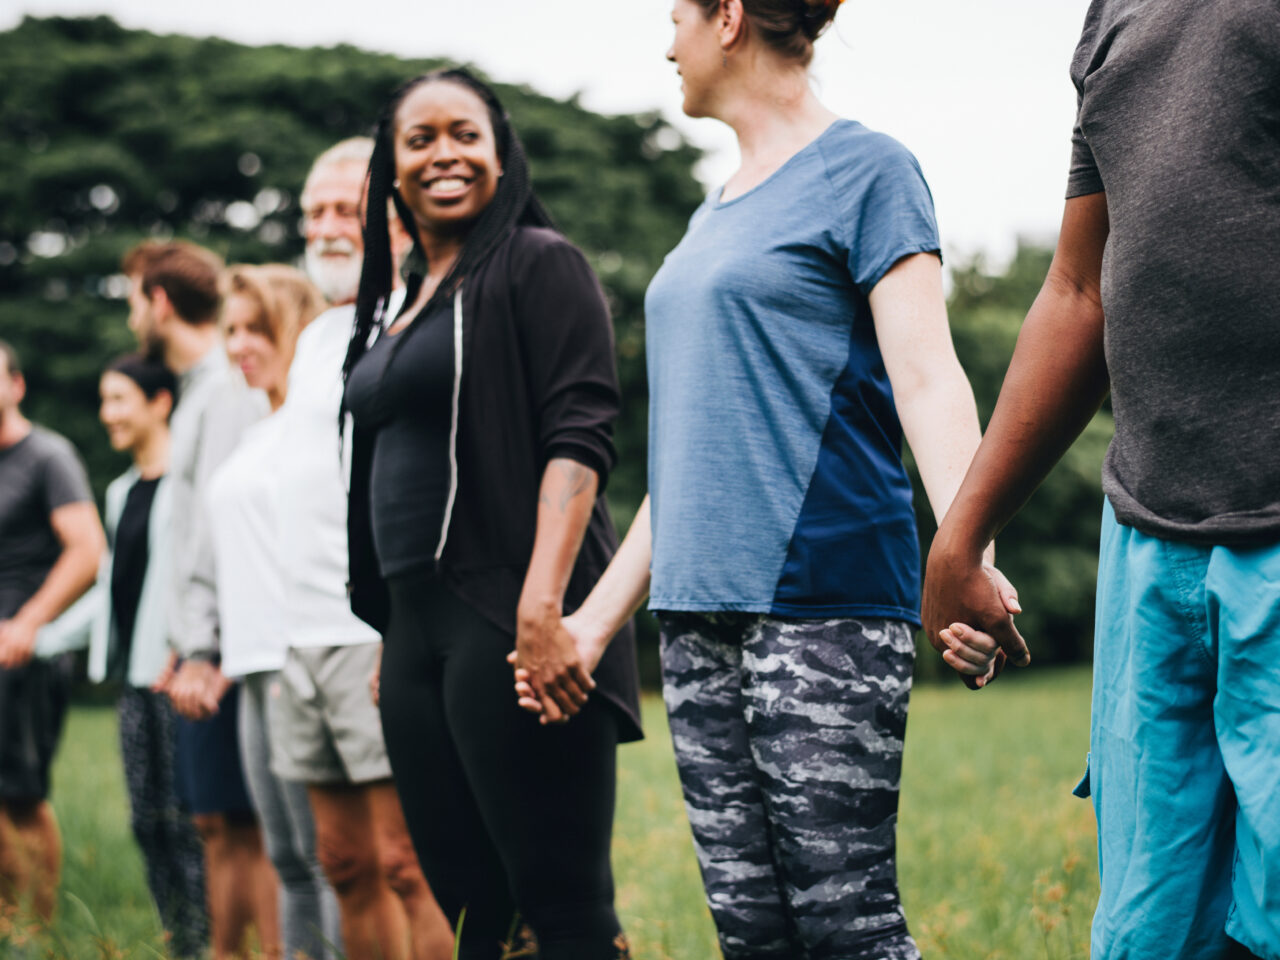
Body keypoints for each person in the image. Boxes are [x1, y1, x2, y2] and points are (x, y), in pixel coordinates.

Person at [511, 2, 1019, 957]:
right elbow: (689, 467)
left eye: (676, 19)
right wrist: (591, 623)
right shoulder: (715, 212)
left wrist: (971, 554)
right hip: (699, 621)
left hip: (819, 604)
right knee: (752, 933)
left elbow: (927, 375)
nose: (668, 46)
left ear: (729, 18)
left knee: (846, 926)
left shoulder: (869, 170)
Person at [920, 3, 1280, 959]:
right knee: (1153, 932)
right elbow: (1081, 288)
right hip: (1150, 546)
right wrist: (962, 533)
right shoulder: (1117, 13)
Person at [342, 68, 642, 960]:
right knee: (475, 913)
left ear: (501, 153)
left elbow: (581, 432)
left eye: (466, 134)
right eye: (421, 138)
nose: (446, 154)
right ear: (390, 169)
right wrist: (391, 630)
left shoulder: (539, 264)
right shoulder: (397, 302)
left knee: (561, 907)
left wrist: (544, 606)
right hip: (415, 627)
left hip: (510, 612)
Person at [270, 138, 453, 960]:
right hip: (296, 634)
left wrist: (400, 625)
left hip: (372, 630)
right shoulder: (311, 340)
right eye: (314, 212)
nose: (327, 228)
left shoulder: (412, 319)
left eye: (347, 210)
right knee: (341, 862)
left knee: (406, 861)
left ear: (397, 221)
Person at [122, 241, 279, 959]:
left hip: (224, 654)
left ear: (158, 301)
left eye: (131, 300)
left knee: (241, 824)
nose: (132, 317)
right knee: (215, 822)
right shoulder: (196, 392)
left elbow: (220, 527)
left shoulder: (225, 390)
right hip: (197, 648)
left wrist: (205, 650)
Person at [39, 353, 209, 956]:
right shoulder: (119, 491)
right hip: (134, 684)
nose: (108, 413)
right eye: (105, 400)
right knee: (148, 823)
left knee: (191, 825)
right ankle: (178, 941)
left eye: (119, 400)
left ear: (159, 403)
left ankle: (210, 940)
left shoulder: (187, 488)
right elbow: (112, 588)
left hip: (178, 678)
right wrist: (38, 637)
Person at [204, 264, 343, 960]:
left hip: (305, 654)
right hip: (252, 662)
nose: (239, 346)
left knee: (327, 857)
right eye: (231, 331)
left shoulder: (316, 430)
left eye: (256, 330)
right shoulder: (255, 435)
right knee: (287, 854)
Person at [0, 339, 104, 921]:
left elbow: (88, 551)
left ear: (16, 386)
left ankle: (35, 928)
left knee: (20, 793)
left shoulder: (47, 456)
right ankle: (5, 917)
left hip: (23, 655)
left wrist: (27, 625)